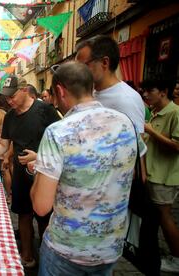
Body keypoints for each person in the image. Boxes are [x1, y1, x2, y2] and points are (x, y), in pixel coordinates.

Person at [30, 62, 144, 275]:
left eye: (54, 96)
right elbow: (132, 173)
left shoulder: (58, 131)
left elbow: (40, 206)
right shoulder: (126, 123)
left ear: (60, 91)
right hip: (109, 248)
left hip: (66, 250)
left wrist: (39, 169)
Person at [0, 76, 60, 268]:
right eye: (6, 97)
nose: (9, 101)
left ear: (25, 90)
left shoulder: (45, 110)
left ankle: (46, 252)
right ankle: (26, 254)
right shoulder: (9, 117)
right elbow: (3, 146)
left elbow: (62, 143)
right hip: (20, 175)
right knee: (23, 215)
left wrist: (38, 156)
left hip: (44, 174)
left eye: (12, 96)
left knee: (44, 216)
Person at [142, 80, 179, 273]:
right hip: (152, 173)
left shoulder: (175, 113)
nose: (146, 95)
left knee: (165, 217)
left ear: (164, 91)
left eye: (150, 91)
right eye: (144, 91)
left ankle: (177, 257)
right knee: (158, 217)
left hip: (165, 176)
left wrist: (150, 131)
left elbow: (176, 146)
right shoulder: (155, 111)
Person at [75, 35, 145, 133]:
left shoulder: (127, 100)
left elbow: (134, 144)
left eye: (83, 65)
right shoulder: (89, 93)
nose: (78, 71)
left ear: (104, 62)